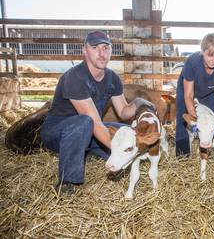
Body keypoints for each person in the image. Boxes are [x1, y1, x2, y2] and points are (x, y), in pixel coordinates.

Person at [40, 31, 153, 195]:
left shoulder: (112, 78)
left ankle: (88, 151)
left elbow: (123, 112)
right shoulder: (75, 77)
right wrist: (122, 151)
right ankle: (66, 182)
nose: (102, 53)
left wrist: (138, 103)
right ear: (84, 50)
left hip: (89, 130)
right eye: (95, 47)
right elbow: (94, 123)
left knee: (124, 130)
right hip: (58, 133)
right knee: (85, 122)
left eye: (106, 48)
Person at [175, 33, 214, 157]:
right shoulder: (192, 62)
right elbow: (188, 96)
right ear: (203, 51)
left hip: (207, 91)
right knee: (182, 116)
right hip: (187, 89)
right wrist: (195, 121)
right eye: (210, 55)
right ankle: (182, 155)